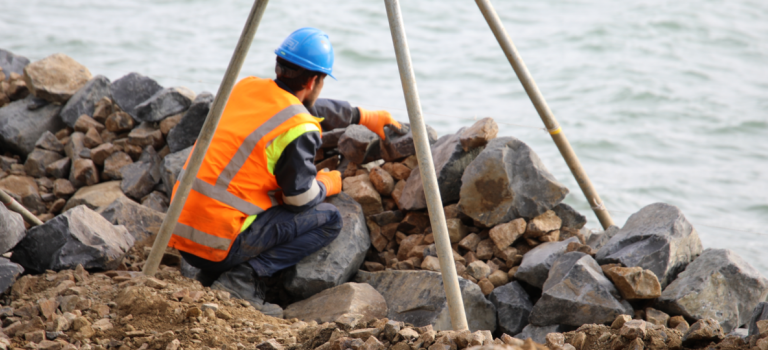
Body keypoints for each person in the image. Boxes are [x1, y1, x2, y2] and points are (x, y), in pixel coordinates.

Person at [169, 27, 401, 318]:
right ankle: (241, 280)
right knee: (329, 219)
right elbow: (299, 200)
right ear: (315, 80)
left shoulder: (245, 87)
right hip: (218, 246)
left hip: (181, 232)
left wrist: (363, 115)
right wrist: (327, 183)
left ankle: (209, 275)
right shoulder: (298, 127)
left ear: (280, 66)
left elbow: (299, 107)